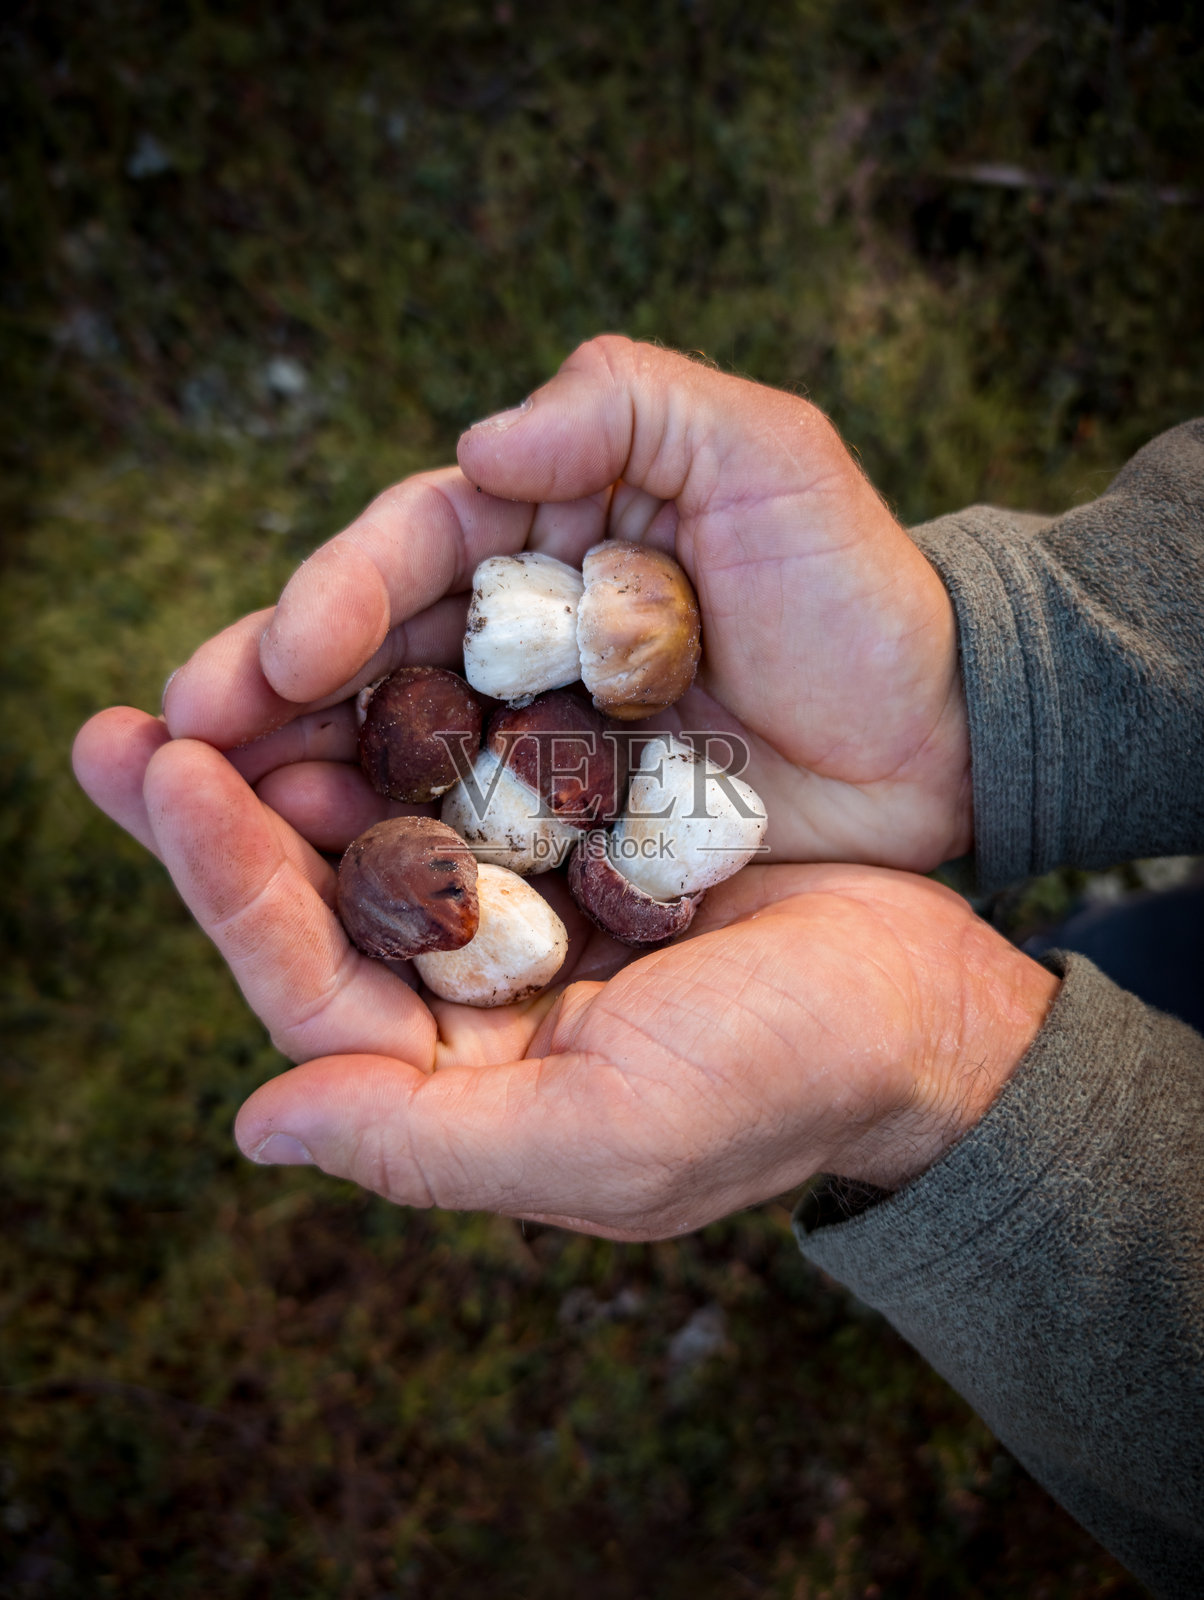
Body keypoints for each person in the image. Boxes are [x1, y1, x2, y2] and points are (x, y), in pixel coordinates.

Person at [72, 338, 1204, 1596]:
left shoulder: (586, 767)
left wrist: (967, 1067)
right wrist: (990, 693)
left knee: (1119, 968)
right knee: (1136, 961)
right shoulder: (520, 781)